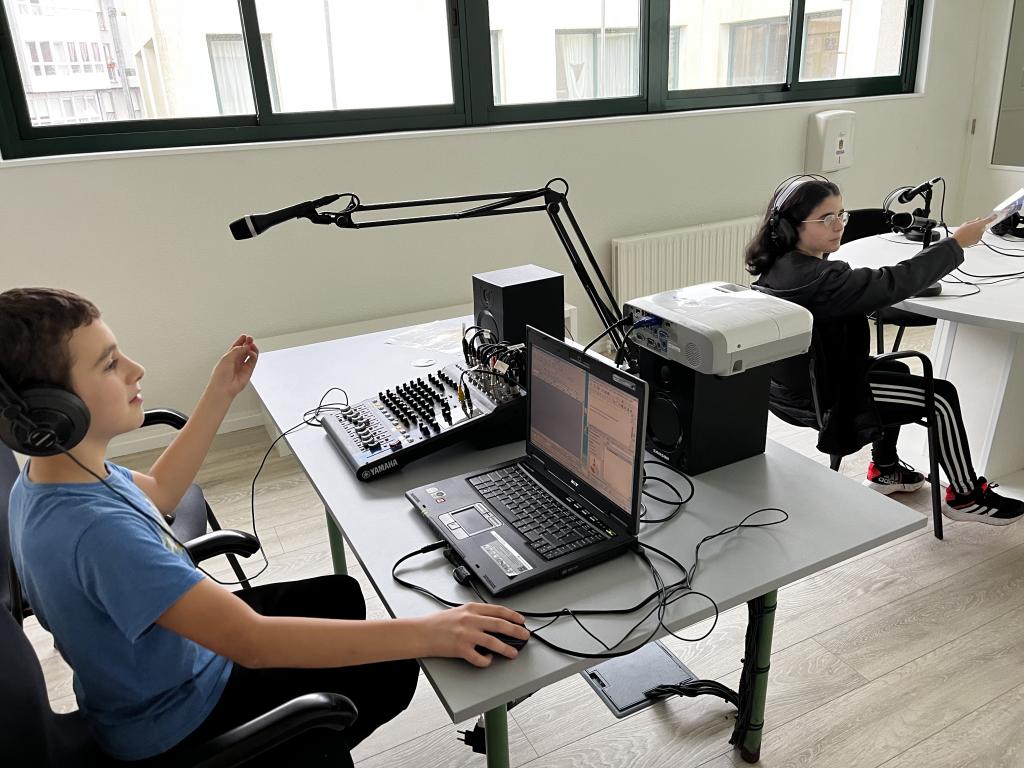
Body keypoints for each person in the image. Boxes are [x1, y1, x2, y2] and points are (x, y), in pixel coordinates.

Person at [1, 287, 530, 764]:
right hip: (181, 718)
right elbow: (252, 643)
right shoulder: (96, 532)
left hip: (157, 675)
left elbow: (160, 491)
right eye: (110, 364)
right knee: (396, 667)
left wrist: (220, 393)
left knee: (342, 595)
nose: (136, 370)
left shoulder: (56, 476)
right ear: (54, 411)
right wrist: (434, 631)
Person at [746, 175, 1024, 526]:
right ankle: (967, 497)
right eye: (827, 219)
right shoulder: (822, 280)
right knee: (940, 397)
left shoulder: (781, 266)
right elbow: (892, 283)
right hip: (829, 396)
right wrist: (955, 244)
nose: (839, 225)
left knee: (898, 372)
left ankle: (886, 469)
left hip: (796, 386)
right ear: (791, 226)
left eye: (841, 214)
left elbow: (876, 285)